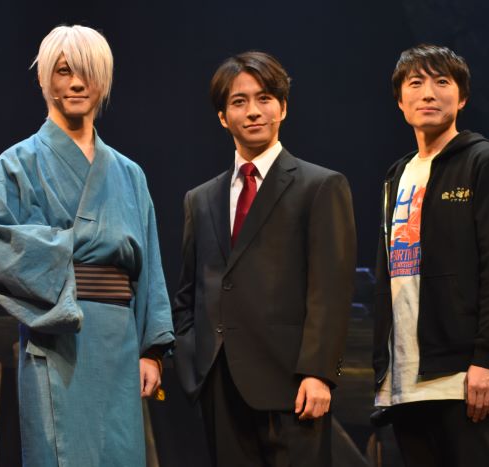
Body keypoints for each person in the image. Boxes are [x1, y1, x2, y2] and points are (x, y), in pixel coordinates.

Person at [0, 25, 174, 467]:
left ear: (103, 79)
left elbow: (150, 268)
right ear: (44, 78)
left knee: (120, 454)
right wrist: (78, 248)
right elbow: (0, 247)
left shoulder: (129, 173)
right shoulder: (18, 163)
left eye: (88, 72)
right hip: (57, 334)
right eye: (64, 71)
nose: (77, 83)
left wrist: (152, 351)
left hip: (119, 339)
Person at [172, 51, 356, 467]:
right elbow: (190, 290)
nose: (253, 111)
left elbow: (330, 288)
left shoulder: (320, 186)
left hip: (292, 384)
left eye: (265, 98)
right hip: (220, 384)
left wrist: (319, 372)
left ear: (283, 108)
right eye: (239, 102)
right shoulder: (200, 199)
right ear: (223, 117)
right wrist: (193, 362)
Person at [373, 44, 489, 467]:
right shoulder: (397, 174)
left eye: (442, 82)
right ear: (400, 100)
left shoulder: (486, 161)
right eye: (416, 83)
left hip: (466, 377)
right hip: (405, 381)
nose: (428, 93)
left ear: (462, 98)